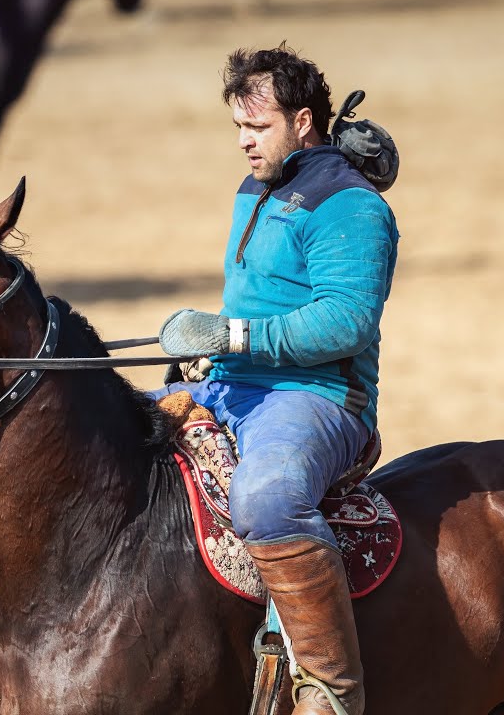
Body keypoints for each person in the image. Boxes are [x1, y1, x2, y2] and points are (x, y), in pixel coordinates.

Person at [153, 45, 399, 715]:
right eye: (238, 125)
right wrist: (206, 354)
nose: (243, 141)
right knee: (110, 428)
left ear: (305, 120)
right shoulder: (256, 187)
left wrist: (232, 336)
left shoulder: (351, 206)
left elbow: (345, 323)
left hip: (315, 401)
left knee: (265, 500)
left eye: (256, 127)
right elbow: (258, 298)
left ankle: (329, 686)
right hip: (232, 385)